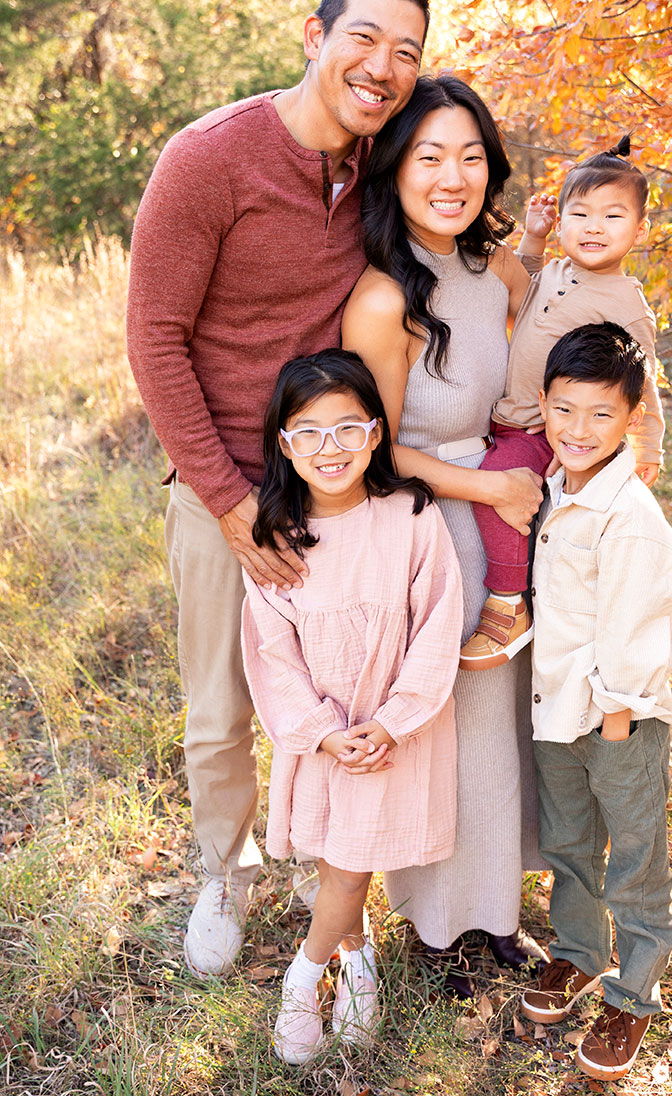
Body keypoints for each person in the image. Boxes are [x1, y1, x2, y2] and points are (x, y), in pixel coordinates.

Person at [126, 0, 430, 978]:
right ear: (314, 35)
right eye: (364, 38)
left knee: (339, 691)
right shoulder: (209, 157)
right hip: (221, 481)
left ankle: (321, 864)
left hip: (338, 483)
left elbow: (459, 226)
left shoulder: (376, 167)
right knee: (222, 702)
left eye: (406, 52)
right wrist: (223, 500)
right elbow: (153, 339)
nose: (383, 66)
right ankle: (225, 867)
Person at [342, 73, 547, 993]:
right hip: (433, 518)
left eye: (470, 156)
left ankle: (495, 911)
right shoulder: (384, 298)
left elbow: (540, 328)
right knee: (451, 722)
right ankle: (433, 922)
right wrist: (488, 490)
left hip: (510, 503)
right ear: (395, 168)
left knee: (506, 720)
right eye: (429, 155)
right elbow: (377, 451)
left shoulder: (492, 268)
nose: (451, 175)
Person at [241, 349, 464, 1063]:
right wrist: (319, 733)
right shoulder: (276, 541)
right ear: (283, 443)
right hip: (327, 734)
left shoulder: (409, 517)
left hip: (391, 730)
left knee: (347, 867)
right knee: (341, 855)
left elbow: (437, 624)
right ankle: (357, 961)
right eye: (307, 432)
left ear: (374, 434)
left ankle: (302, 981)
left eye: (346, 429)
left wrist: (392, 720)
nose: (327, 448)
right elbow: (271, 653)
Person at [519, 322, 672, 1081]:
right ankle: (579, 954)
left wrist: (618, 721)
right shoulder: (555, 487)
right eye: (564, 410)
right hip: (555, 705)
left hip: (616, 720)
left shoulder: (629, 517)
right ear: (543, 406)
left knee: (632, 859)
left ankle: (633, 991)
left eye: (600, 414)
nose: (578, 430)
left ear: (631, 419)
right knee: (567, 844)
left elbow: (638, 623)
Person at [461, 137, 666, 670]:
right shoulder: (552, 270)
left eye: (612, 216)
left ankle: (508, 604)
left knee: (501, 489)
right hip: (508, 413)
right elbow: (520, 290)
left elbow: (643, 376)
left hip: (542, 430)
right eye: (579, 214)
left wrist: (649, 447)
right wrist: (531, 236)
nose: (593, 227)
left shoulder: (625, 299)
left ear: (640, 231)